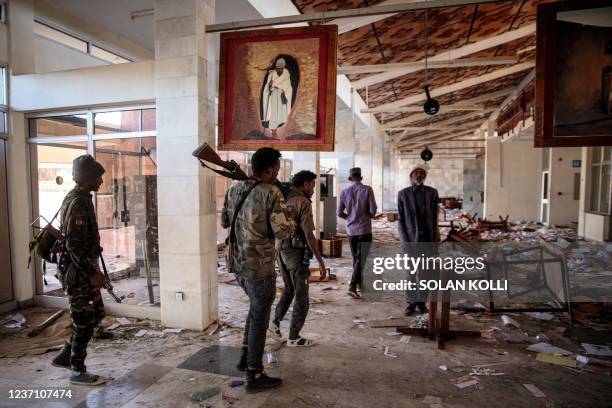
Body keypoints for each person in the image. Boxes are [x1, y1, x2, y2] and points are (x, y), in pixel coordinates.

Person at [221, 147, 294, 391]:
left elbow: (224, 222)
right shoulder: (271, 192)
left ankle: (245, 358)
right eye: (277, 168)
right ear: (271, 168)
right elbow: (282, 231)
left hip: (237, 263)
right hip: (260, 266)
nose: (278, 173)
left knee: (255, 311)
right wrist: (290, 217)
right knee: (260, 317)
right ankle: (255, 374)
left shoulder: (233, 190)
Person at [51, 154, 107, 386]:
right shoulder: (77, 202)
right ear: (86, 179)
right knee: (84, 321)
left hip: (84, 269)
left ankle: (66, 354)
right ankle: (77, 370)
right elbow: (73, 244)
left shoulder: (83, 197)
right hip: (78, 273)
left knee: (97, 314)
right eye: (98, 177)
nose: (101, 181)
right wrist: (92, 272)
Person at [270, 170, 327, 347]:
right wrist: (320, 260)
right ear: (305, 184)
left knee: (288, 289)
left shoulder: (281, 197)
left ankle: (274, 323)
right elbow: (309, 235)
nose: (313, 189)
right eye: (312, 185)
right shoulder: (302, 202)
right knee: (302, 297)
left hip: (280, 250)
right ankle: (294, 337)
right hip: (296, 253)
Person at [397, 163, 440, 316]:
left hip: (427, 239)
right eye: (417, 172)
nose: (419, 175)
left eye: (422, 173)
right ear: (411, 175)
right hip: (411, 240)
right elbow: (401, 221)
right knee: (410, 273)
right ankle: (411, 303)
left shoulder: (432, 193)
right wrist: (404, 242)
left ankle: (421, 303)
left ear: (425, 176)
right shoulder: (403, 194)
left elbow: (435, 219)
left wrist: (436, 241)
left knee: (425, 273)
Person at [337, 167, 377, 299]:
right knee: (361, 258)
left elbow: (339, 213)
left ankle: (359, 284)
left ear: (350, 178)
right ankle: (352, 285)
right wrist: (367, 215)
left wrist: (349, 217)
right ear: (360, 177)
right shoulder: (367, 189)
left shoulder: (344, 192)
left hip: (351, 230)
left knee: (356, 258)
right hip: (364, 229)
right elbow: (373, 211)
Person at [262, 58, 293, 138]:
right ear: (275, 68)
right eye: (277, 68)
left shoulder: (286, 73)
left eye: (281, 68)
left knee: (282, 113)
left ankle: (280, 129)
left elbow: (288, 87)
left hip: (282, 96)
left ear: (283, 67)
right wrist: (270, 86)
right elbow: (268, 87)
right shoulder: (272, 74)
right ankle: (273, 131)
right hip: (274, 95)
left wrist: (281, 88)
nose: (279, 70)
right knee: (274, 113)